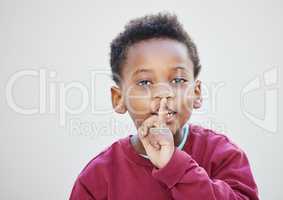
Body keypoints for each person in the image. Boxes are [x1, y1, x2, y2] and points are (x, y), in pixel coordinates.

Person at [70, 12, 259, 200]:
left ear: (196, 93)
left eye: (178, 80)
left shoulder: (222, 155)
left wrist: (175, 165)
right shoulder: (98, 177)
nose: (164, 93)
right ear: (119, 98)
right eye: (144, 83)